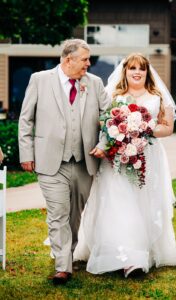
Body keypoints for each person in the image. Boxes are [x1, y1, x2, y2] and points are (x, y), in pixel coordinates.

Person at [74, 53, 176, 277]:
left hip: (147, 156)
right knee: (117, 201)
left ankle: (140, 252)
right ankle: (124, 257)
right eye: (132, 68)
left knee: (144, 203)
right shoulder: (114, 95)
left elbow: (167, 128)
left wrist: (143, 127)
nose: (137, 72)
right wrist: (118, 132)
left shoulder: (157, 97)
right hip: (116, 159)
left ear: (147, 72)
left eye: (141, 68)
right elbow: (102, 123)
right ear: (125, 71)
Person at [18, 39, 110, 284]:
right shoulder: (40, 80)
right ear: (68, 60)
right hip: (50, 161)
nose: (89, 64)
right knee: (58, 213)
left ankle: (68, 254)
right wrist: (26, 154)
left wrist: (103, 145)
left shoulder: (95, 83)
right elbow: (26, 119)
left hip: (84, 162)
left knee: (74, 216)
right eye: (85, 59)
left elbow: (109, 118)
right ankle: (63, 266)